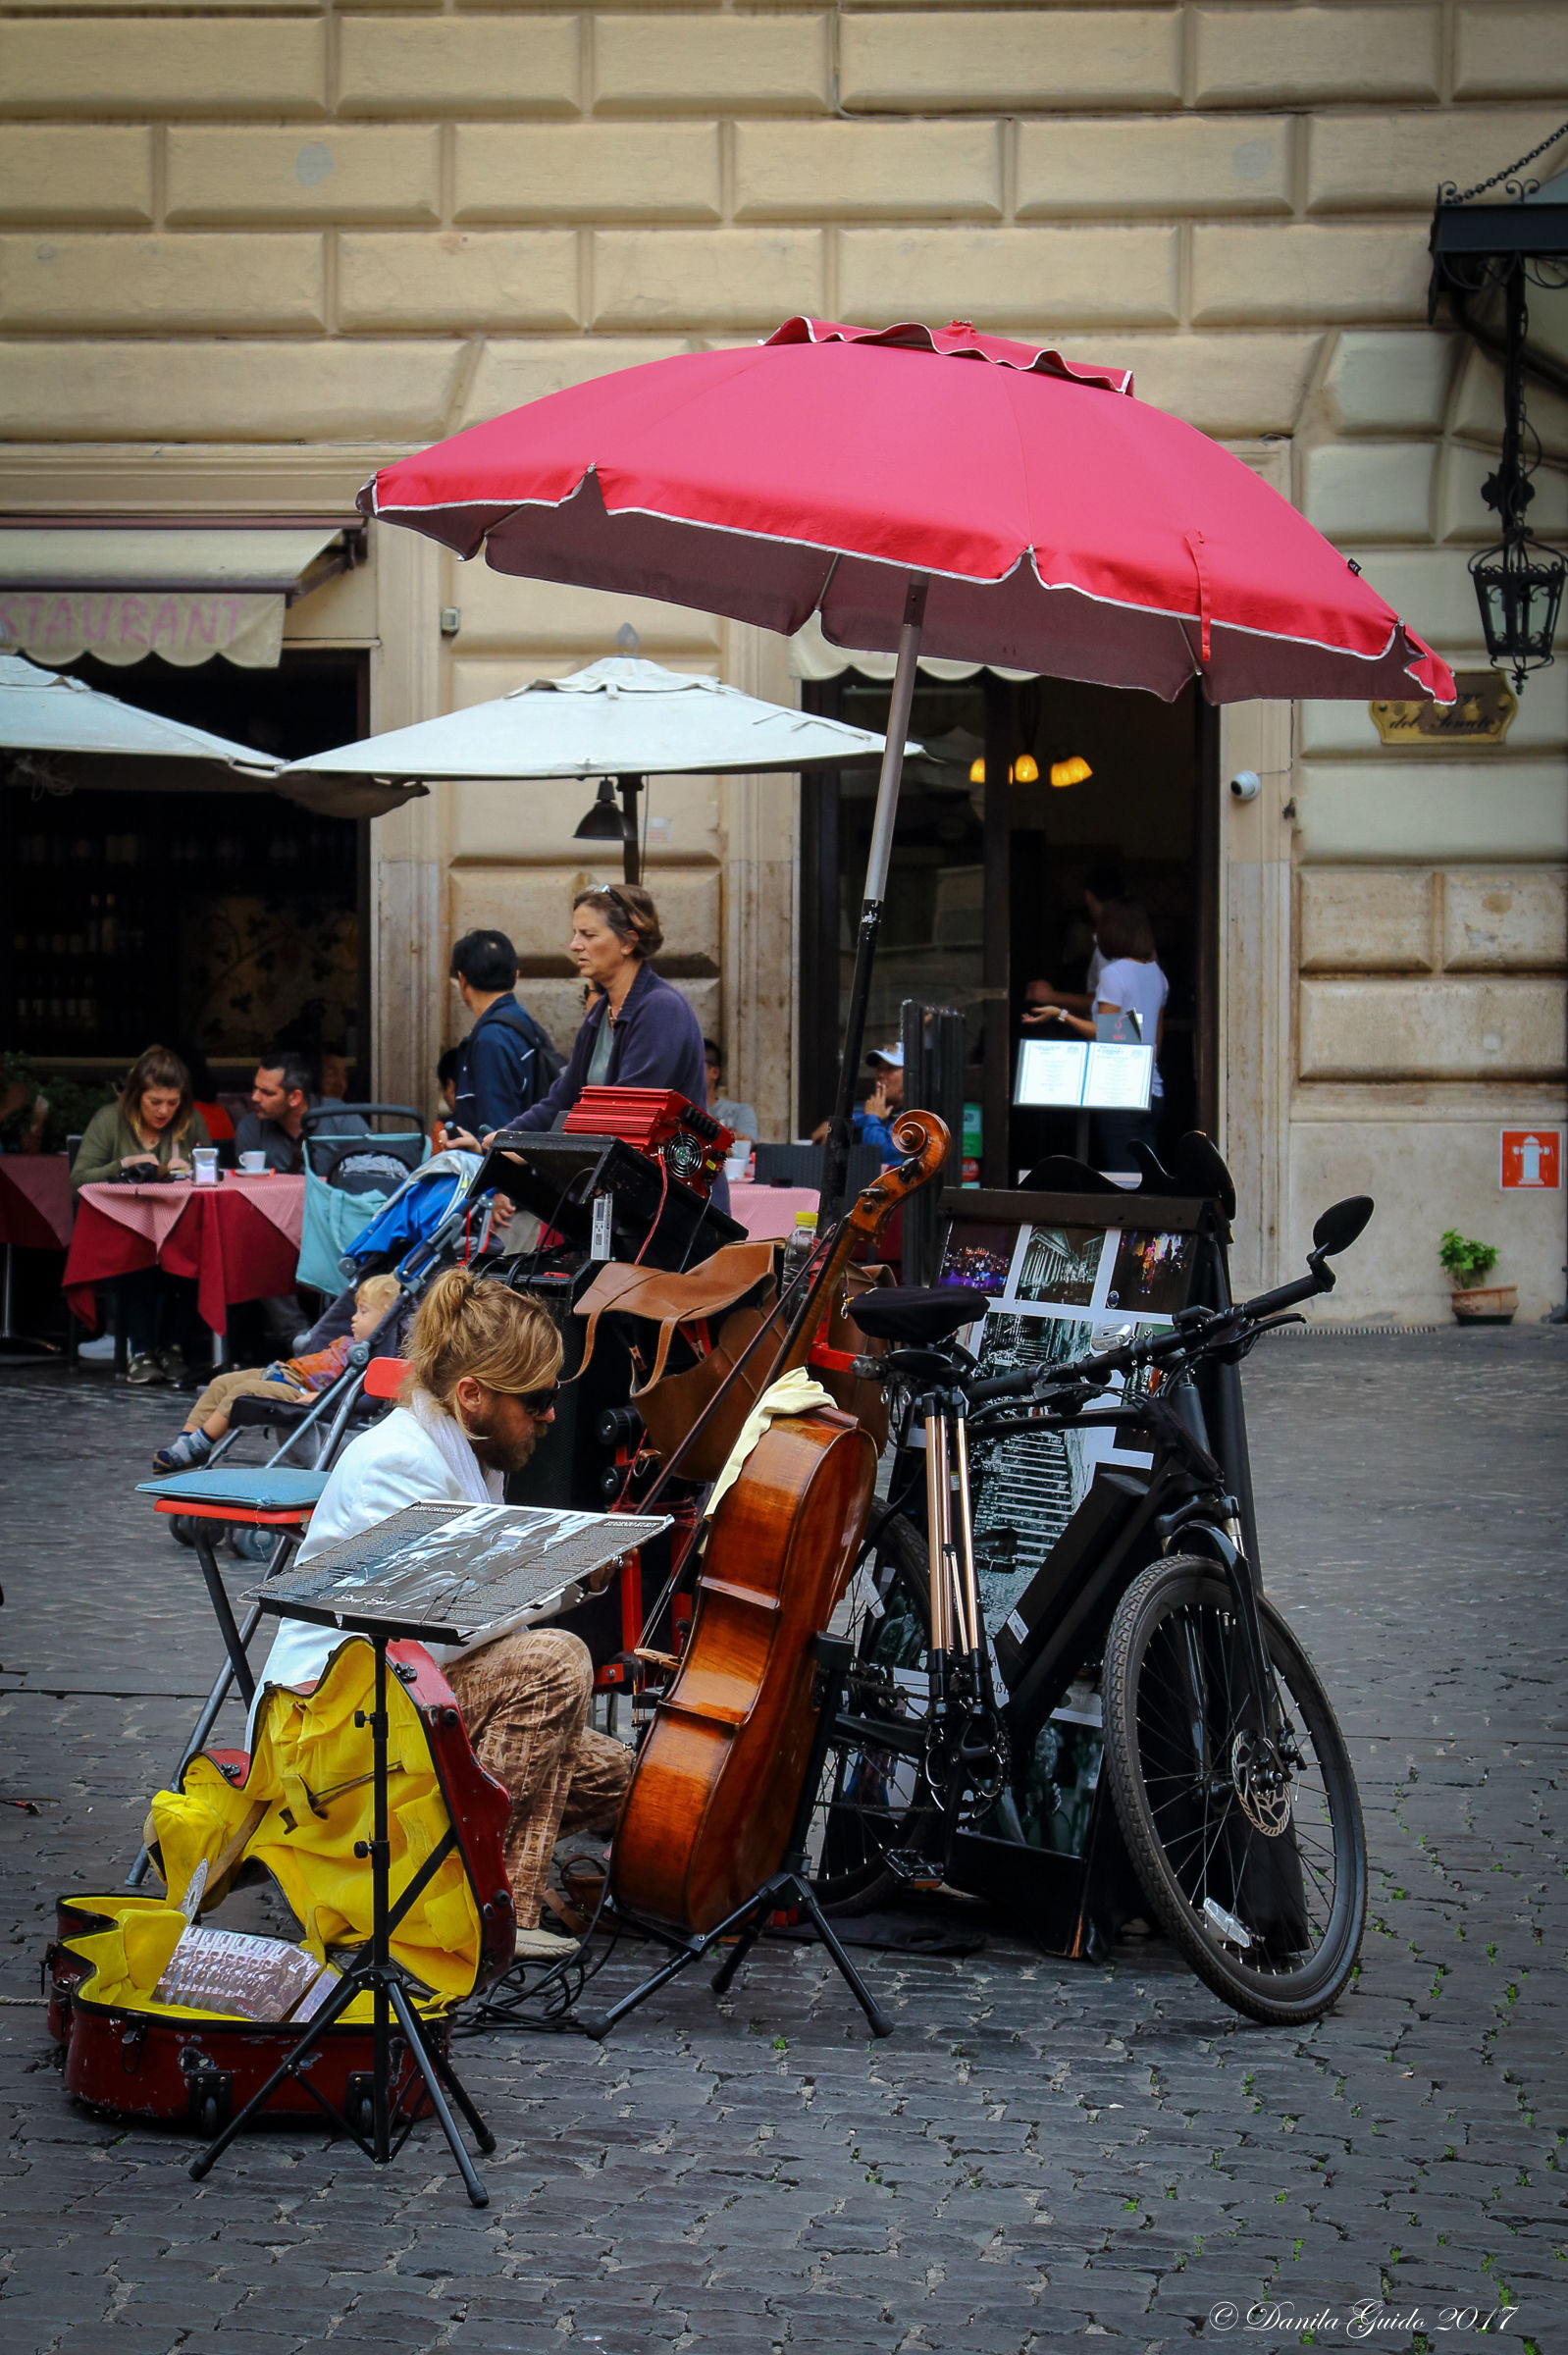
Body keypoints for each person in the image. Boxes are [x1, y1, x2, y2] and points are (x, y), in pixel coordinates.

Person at [254, 1266, 631, 1961]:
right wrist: (561, 1575)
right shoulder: (396, 1464)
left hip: (400, 1708)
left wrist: (571, 1575)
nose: (551, 1414)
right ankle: (488, 1917)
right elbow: (438, 1623)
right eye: (538, 1399)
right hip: (331, 1731)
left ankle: (440, 1885)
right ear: (472, 1395)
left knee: (617, 1774)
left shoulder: (474, 1447)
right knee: (554, 1663)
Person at [152, 1272, 401, 1471]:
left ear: (386, 1320)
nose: (354, 1318)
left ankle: (200, 1444)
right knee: (221, 1383)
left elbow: (364, 1399)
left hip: (301, 1391)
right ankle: (186, 1440)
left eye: (364, 1312)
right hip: (288, 1374)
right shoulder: (349, 1343)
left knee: (243, 1392)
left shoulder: (372, 1360)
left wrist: (322, 1399)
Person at [72, 1046, 213, 1387]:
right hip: (124, 1227)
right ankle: (142, 1351)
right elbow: (78, 1177)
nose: (164, 1111)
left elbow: (211, 1171)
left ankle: (174, 1350)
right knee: (140, 1258)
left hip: (177, 1225)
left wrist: (191, 1168)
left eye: (172, 1102)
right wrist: (123, 1164)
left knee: (195, 1255)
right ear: (137, 1096)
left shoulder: (191, 1120)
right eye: (155, 1102)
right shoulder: (111, 1119)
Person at [1031, 897, 1169, 1167]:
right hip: (1152, 1089)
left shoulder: (1114, 974)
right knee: (1146, 1179)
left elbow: (1106, 1033)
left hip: (1117, 1090)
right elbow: (1156, 1039)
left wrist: (1060, 1014)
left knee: (1123, 1178)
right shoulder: (1157, 974)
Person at [447, 929, 561, 1137]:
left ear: (462, 980)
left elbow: (497, 1132)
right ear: (516, 976)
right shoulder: (526, 1025)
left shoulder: (491, 1039)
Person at [1022, 858, 1126, 1027]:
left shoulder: (1113, 942)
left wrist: (1051, 997)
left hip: (1113, 1042)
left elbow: (1104, 1003)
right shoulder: (1136, 943)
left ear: (1088, 897)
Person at [810, 1044, 905, 1160]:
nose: (880, 1075)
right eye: (879, 1069)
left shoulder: (916, 1114)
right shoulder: (879, 1108)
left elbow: (881, 1155)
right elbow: (856, 1117)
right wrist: (832, 1124)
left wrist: (872, 1118)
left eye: (889, 1069)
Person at [703, 1038, 758, 1150]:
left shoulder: (740, 1112)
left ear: (714, 1072)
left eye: (694, 1064)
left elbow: (743, 1146)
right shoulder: (677, 1112)